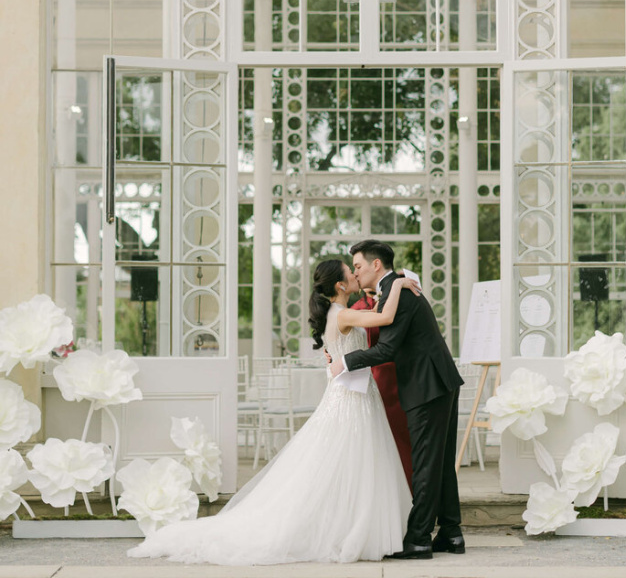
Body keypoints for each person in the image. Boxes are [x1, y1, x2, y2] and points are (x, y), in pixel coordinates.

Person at [127, 259, 418, 565]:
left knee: (352, 464)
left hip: (352, 395)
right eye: (350, 271)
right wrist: (398, 282)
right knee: (349, 462)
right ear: (340, 285)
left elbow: (374, 315)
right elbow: (385, 317)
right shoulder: (343, 313)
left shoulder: (341, 312)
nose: (356, 273)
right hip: (350, 399)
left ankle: (354, 526)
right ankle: (351, 529)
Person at [330, 239, 465, 560]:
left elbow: (387, 350)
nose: (357, 273)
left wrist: (344, 363)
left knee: (426, 462)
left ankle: (418, 539)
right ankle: (451, 533)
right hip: (438, 380)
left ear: (376, 265)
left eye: (359, 266)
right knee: (441, 463)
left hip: (427, 384)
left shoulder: (398, 291)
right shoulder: (394, 289)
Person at [351, 288, 413, 489]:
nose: (357, 274)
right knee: (381, 436)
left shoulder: (393, 299)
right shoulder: (356, 308)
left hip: (400, 373)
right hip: (376, 376)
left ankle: (409, 487)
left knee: (403, 435)